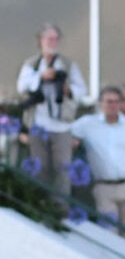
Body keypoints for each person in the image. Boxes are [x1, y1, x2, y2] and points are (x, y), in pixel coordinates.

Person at [68, 84, 125, 229]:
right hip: (104, 186)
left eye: (116, 101)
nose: (113, 105)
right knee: (109, 231)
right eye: (109, 101)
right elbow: (67, 134)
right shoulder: (87, 123)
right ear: (100, 103)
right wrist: (73, 142)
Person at [16, 24, 86, 200]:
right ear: (40, 41)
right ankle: (40, 206)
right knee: (39, 169)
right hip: (38, 125)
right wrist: (41, 77)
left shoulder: (68, 64)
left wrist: (68, 90)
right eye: (49, 39)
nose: (53, 42)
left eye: (56, 39)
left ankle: (61, 209)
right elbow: (21, 86)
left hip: (62, 125)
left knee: (63, 169)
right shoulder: (32, 64)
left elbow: (82, 90)